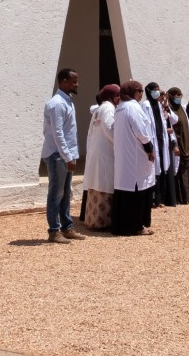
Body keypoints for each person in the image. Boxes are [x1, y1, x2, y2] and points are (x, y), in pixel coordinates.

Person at [41, 68, 86, 244]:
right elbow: (57, 133)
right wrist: (68, 156)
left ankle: (67, 228)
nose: (77, 84)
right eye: (74, 81)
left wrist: (71, 155)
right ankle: (54, 231)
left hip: (65, 154)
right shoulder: (57, 103)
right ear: (64, 82)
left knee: (65, 193)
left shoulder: (67, 101)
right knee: (56, 193)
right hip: (56, 155)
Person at [112, 80, 155, 236]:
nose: (141, 94)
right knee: (137, 187)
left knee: (125, 189)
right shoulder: (133, 107)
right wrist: (149, 148)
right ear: (131, 92)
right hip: (136, 154)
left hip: (125, 155)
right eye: (139, 91)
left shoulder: (120, 108)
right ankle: (136, 226)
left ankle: (121, 225)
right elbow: (141, 131)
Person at [82, 84, 119, 230]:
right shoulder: (109, 108)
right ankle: (104, 222)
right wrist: (120, 143)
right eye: (116, 96)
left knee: (98, 182)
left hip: (98, 151)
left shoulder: (99, 109)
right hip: (106, 152)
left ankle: (93, 220)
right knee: (105, 183)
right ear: (111, 96)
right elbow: (110, 128)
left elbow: (91, 132)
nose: (118, 99)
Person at [143, 83, 179, 207]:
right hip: (152, 141)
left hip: (161, 141)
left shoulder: (158, 105)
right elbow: (146, 125)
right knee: (153, 171)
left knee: (161, 169)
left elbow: (168, 122)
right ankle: (154, 199)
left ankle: (160, 199)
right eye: (155, 90)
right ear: (149, 91)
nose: (158, 93)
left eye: (159, 90)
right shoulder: (146, 105)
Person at [167, 87, 189, 204]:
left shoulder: (182, 109)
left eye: (180, 95)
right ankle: (179, 198)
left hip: (186, 144)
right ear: (170, 96)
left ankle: (187, 196)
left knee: (185, 170)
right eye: (176, 95)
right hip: (176, 144)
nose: (178, 97)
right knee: (177, 170)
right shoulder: (169, 110)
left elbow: (187, 125)